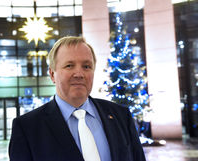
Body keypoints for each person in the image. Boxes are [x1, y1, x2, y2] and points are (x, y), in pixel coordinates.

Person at [9, 36, 146, 161]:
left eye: (86, 66)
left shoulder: (121, 116)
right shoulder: (27, 128)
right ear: (52, 74)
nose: (79, 74)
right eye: (69, 66)